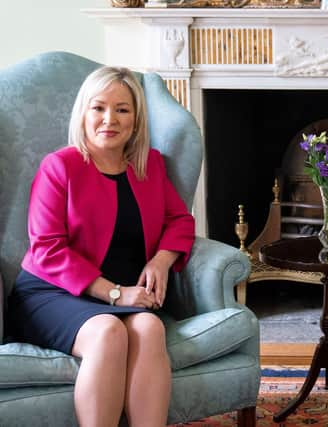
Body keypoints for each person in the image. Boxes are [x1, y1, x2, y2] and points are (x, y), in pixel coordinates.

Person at [9, 66, 195, 427]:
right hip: (52, 293)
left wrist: (161, 259)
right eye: (99, 108)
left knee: (150, 328)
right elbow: (47, 248)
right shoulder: (59, 166)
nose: (110, 119)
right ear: (84, 113)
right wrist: (114, 294)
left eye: (122, 110)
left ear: (136, 120)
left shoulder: (150, 165)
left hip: (122, 295)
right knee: (108, 332)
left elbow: (180, 220)